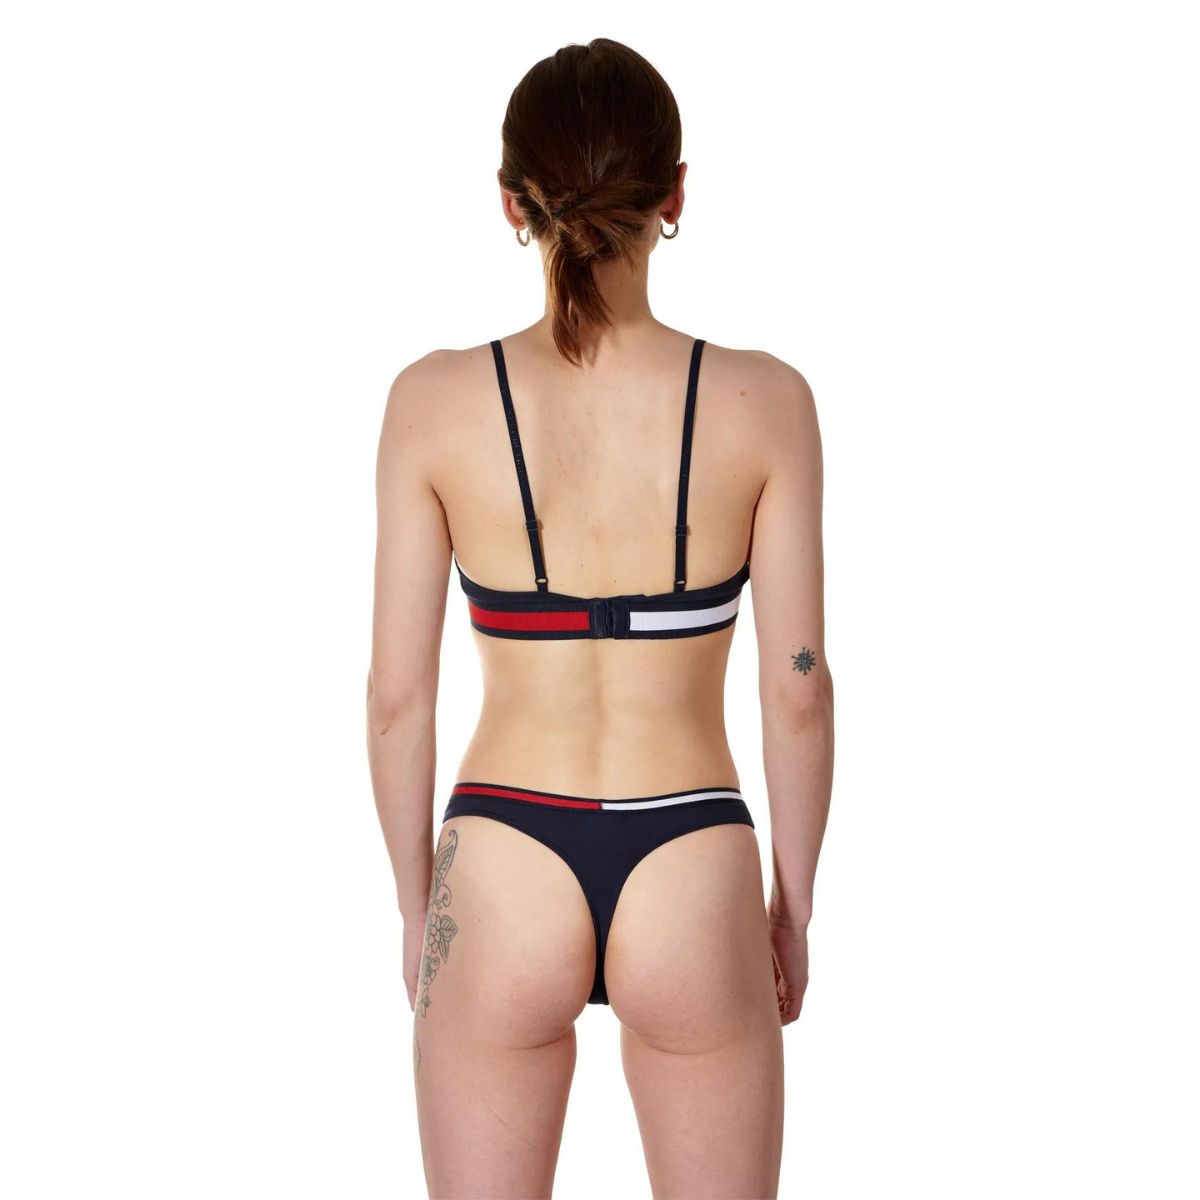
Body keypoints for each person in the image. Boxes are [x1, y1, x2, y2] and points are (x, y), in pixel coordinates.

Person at [367, 37, 834, 1199]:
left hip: (502, 856)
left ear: (512, 203)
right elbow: (799, 690)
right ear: (676, 193)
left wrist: (419, 910)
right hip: (693, 858)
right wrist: (791, 907)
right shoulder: (766, 402)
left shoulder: (432, 403)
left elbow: (396, 701)